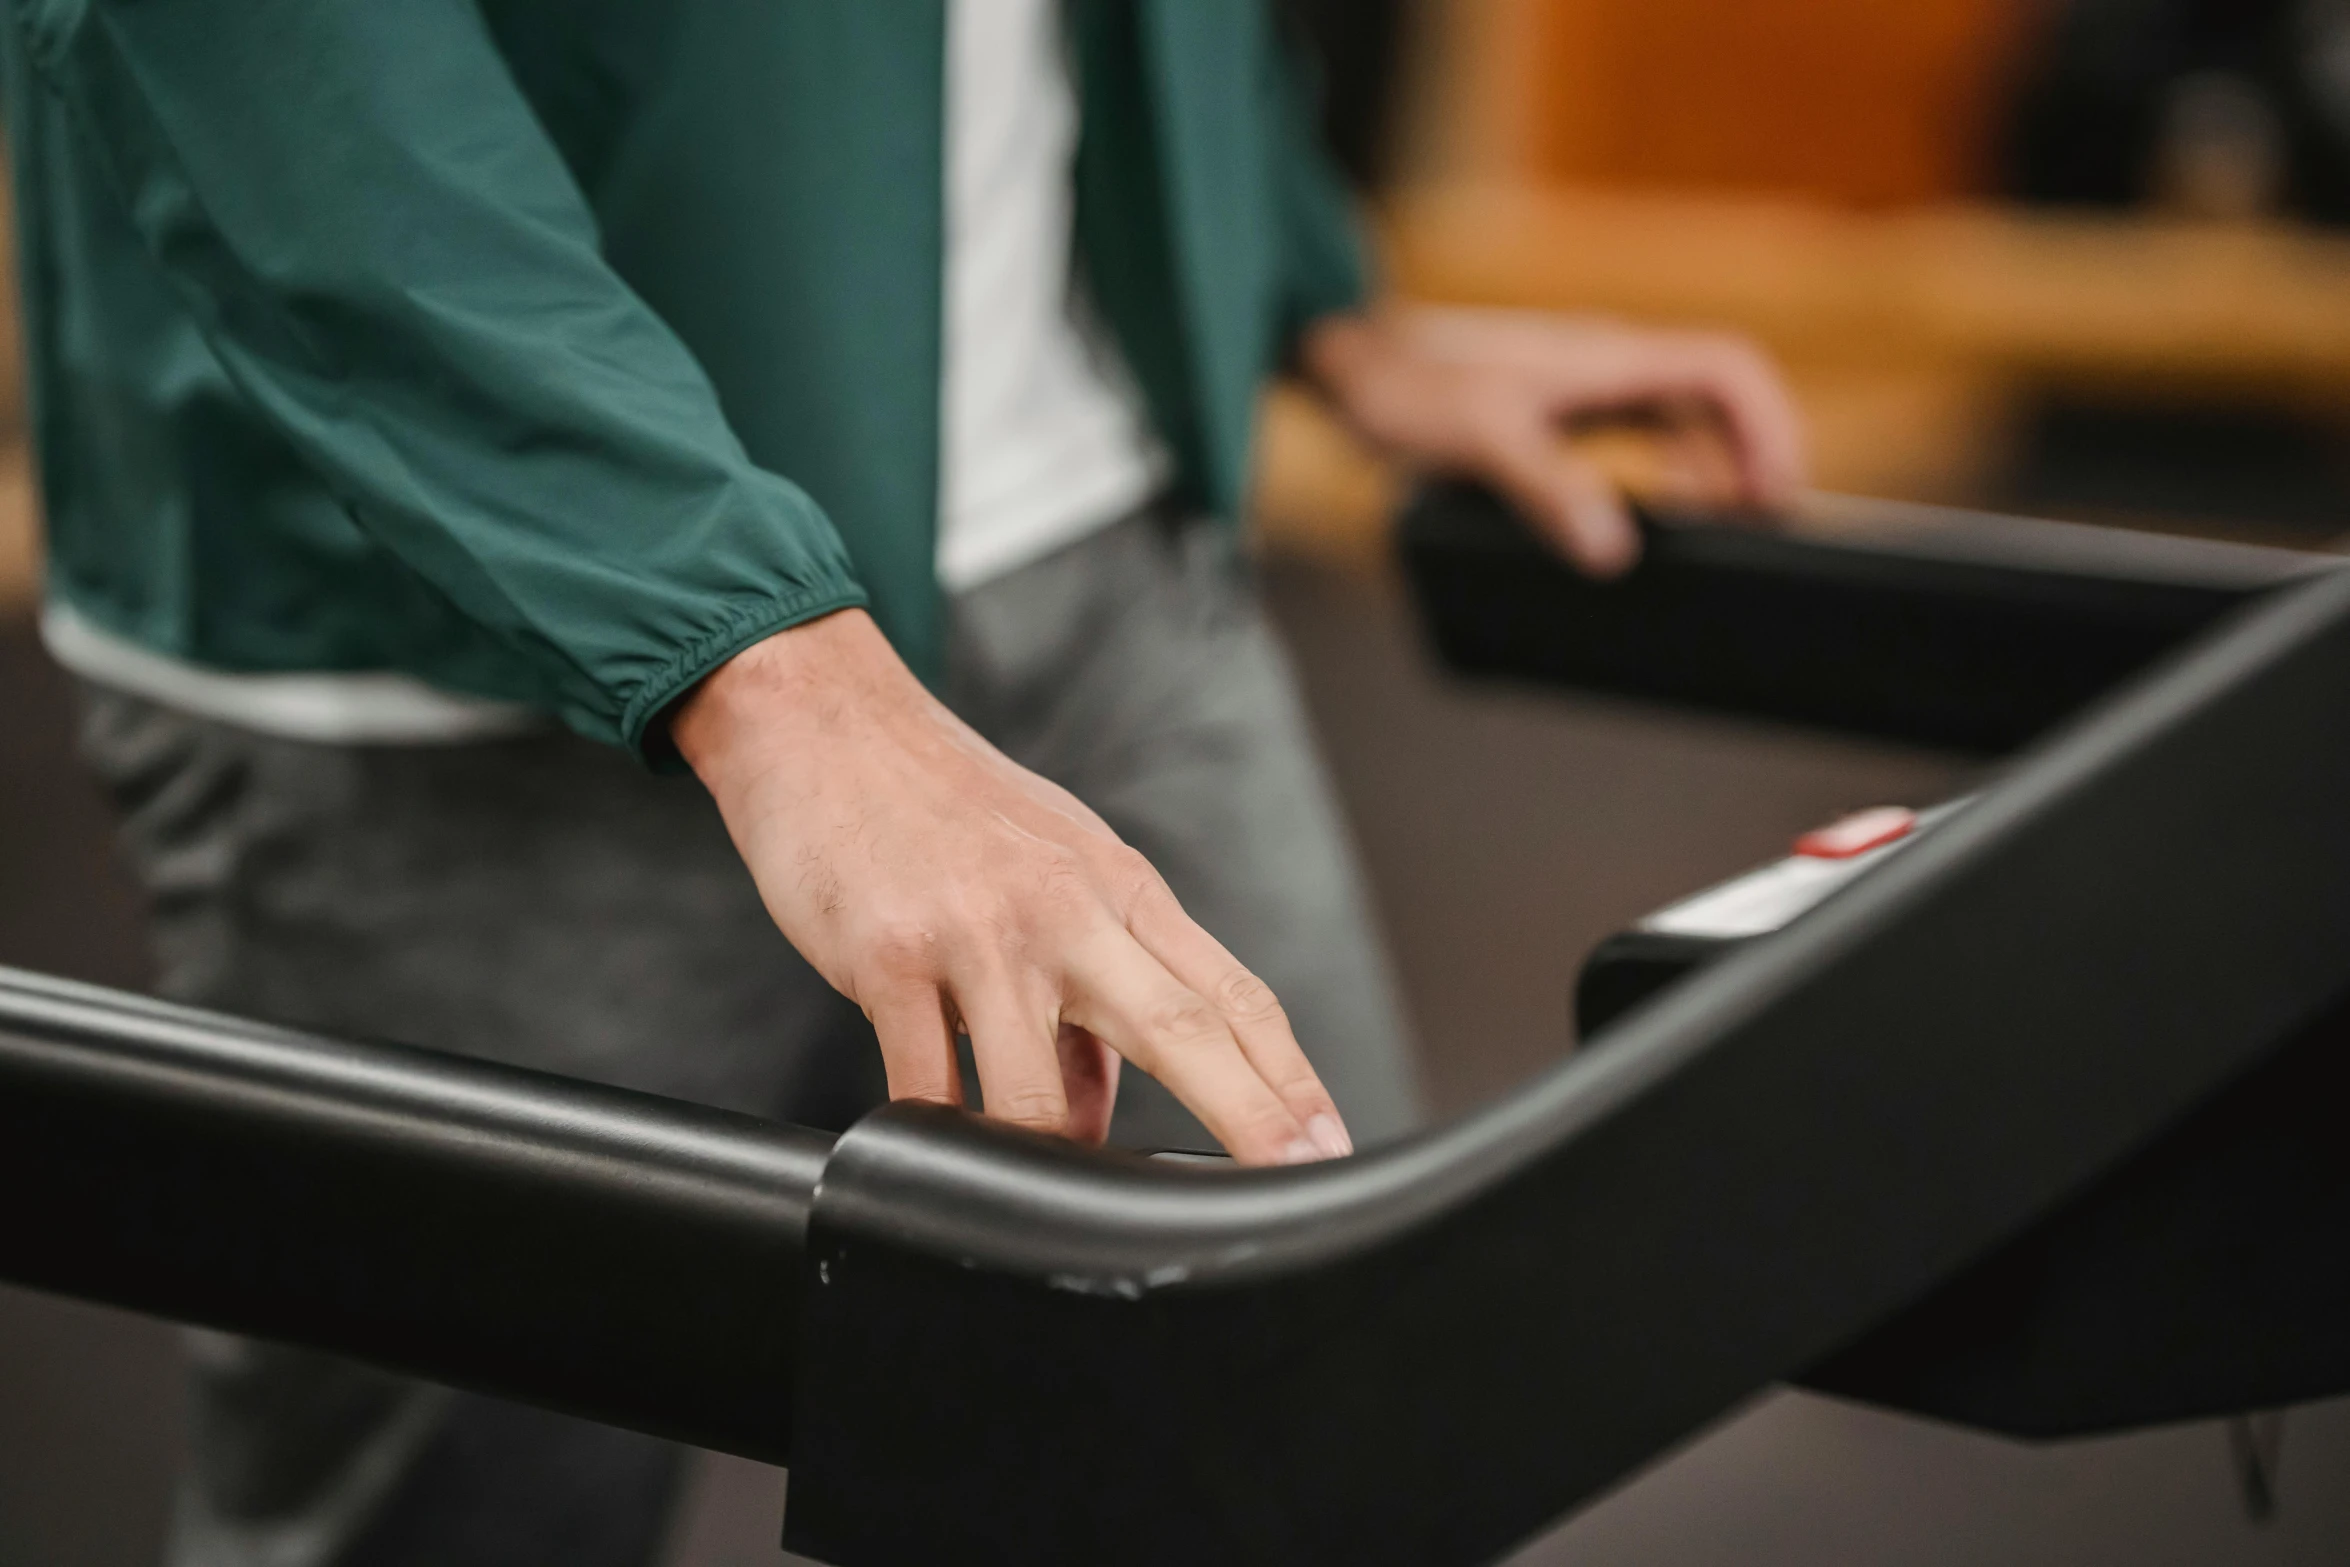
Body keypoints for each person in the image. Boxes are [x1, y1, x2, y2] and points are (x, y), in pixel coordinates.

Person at [2, 1, 1805, 1562]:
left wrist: (1308, 289)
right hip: (452, 647)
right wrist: (768, 670)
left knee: (1336, 1438)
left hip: (1097, 538)